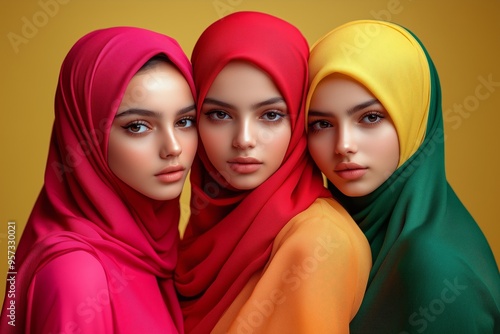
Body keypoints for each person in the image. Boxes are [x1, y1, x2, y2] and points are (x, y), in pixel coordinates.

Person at [175, 11, 371, 334]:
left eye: (270, 115)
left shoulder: (317, 243)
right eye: (220, 114)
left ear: (298, 121)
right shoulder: (205, 226)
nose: (244, 140)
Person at [306, 19, 500, 333]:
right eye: (322, 124)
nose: (343, 146)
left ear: (415, 118)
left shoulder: (433, 264)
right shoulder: (334, 233)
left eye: (370, 117)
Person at [0, 27, 197, 333]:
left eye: (185, 121)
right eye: (138, 126)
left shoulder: (156, 246)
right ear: (84, 134)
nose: (173, 147)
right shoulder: (76, 274)